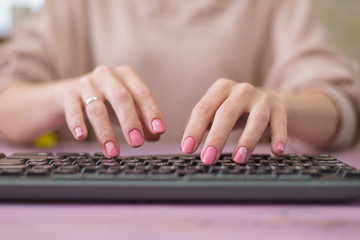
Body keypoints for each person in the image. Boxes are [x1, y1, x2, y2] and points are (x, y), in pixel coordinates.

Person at [0, 0, 359, 165]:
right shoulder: (76, 6)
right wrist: (66, 94)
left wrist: (284, 105)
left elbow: (340, 104)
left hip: (242, 211)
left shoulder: (274, 6)